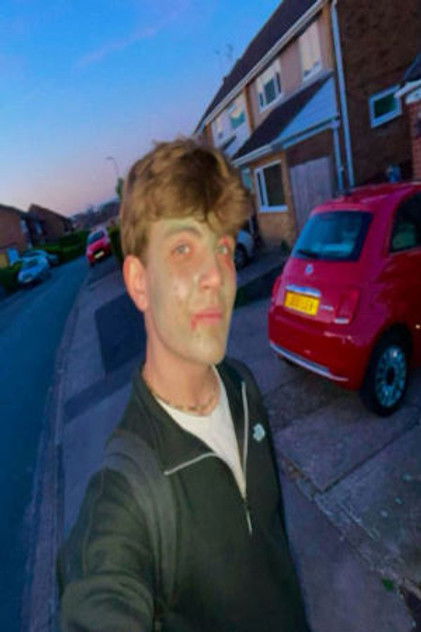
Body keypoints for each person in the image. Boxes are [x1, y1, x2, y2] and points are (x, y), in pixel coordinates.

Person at [58, 138, 310, 631]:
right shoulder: (126, 497)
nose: (215, 274)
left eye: (222, 247)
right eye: (182, 249)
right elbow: (100, 595)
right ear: (138, 282)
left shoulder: (242, 386)